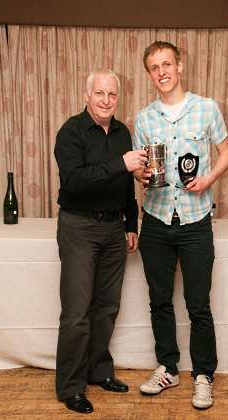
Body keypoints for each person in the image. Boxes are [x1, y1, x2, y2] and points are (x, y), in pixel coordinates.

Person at [133, 41, 228, 410]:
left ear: (180, 66)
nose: (162, 72)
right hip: (156, 220)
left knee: (198, 305)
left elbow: (226, 152)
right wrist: (143, 176)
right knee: (159, 301)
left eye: (166, 64)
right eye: (154, 67)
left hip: (195, 221)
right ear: (149, 74)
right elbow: (141, 170)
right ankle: (168, 368)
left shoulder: (206, 108)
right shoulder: (143, 119)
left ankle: (203, 375)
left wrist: (208, 180)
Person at [54, 69, 147, 414]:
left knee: (107, 308)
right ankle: (70, 387)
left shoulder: (123, 132)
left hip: (113, 231)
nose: (106, 100)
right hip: (78, 227)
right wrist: (119, 164)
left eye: (112, 95)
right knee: (77, 314)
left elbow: (126, 185)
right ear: (87, 95)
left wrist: (130, 222)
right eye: (100, 93)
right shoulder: (71, 132)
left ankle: (99, 371)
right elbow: (74, 182)